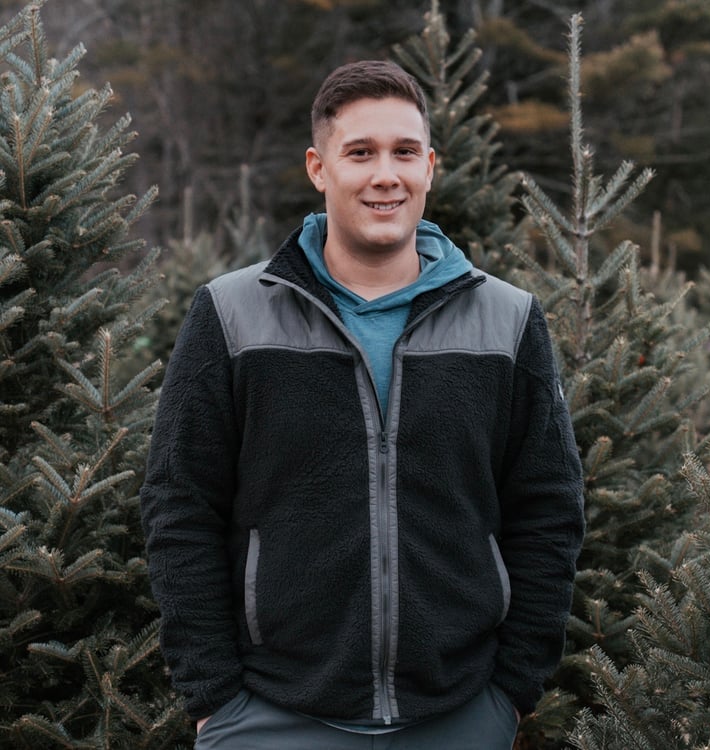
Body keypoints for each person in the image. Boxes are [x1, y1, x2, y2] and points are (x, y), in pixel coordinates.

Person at [140, 59, 585, 750]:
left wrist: (512, 691)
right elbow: (180, 503)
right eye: (360, 153)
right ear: (319, 169)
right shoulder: (230, 315)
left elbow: (549, 508)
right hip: (269, 717)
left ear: (430, 167)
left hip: (460, 716)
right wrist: (214, 699)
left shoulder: (508, 319)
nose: (386, 175)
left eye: (405, 152)